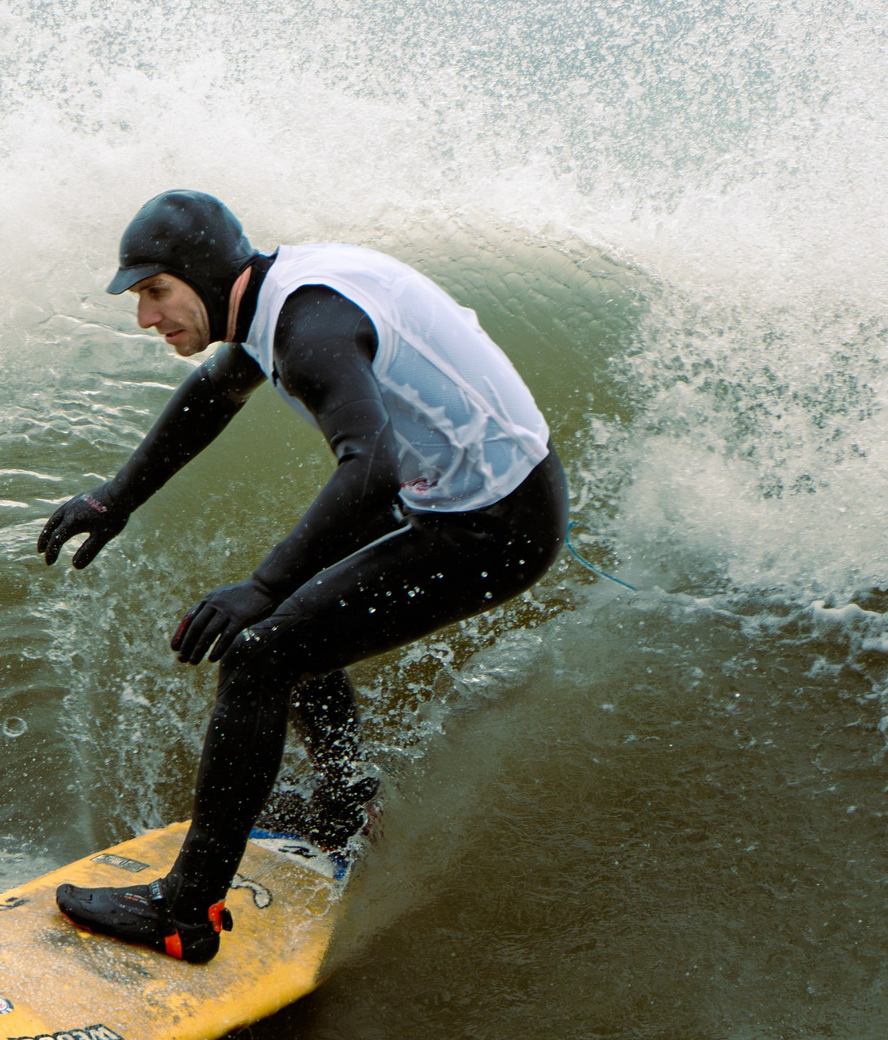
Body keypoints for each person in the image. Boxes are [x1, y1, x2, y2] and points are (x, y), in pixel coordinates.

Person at [36, 190, 567, 964]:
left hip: (498, 522)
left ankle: (183, 913)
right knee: (290, 622)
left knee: (262, 650)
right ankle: (347, 799)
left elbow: (372, 469)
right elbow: (212, 394)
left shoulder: (309, 329)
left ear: (204, 276)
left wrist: (261, 587)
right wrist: (115, 499)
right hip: (473, 493)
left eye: (156, 292)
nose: (146, 317)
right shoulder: (276, 302)